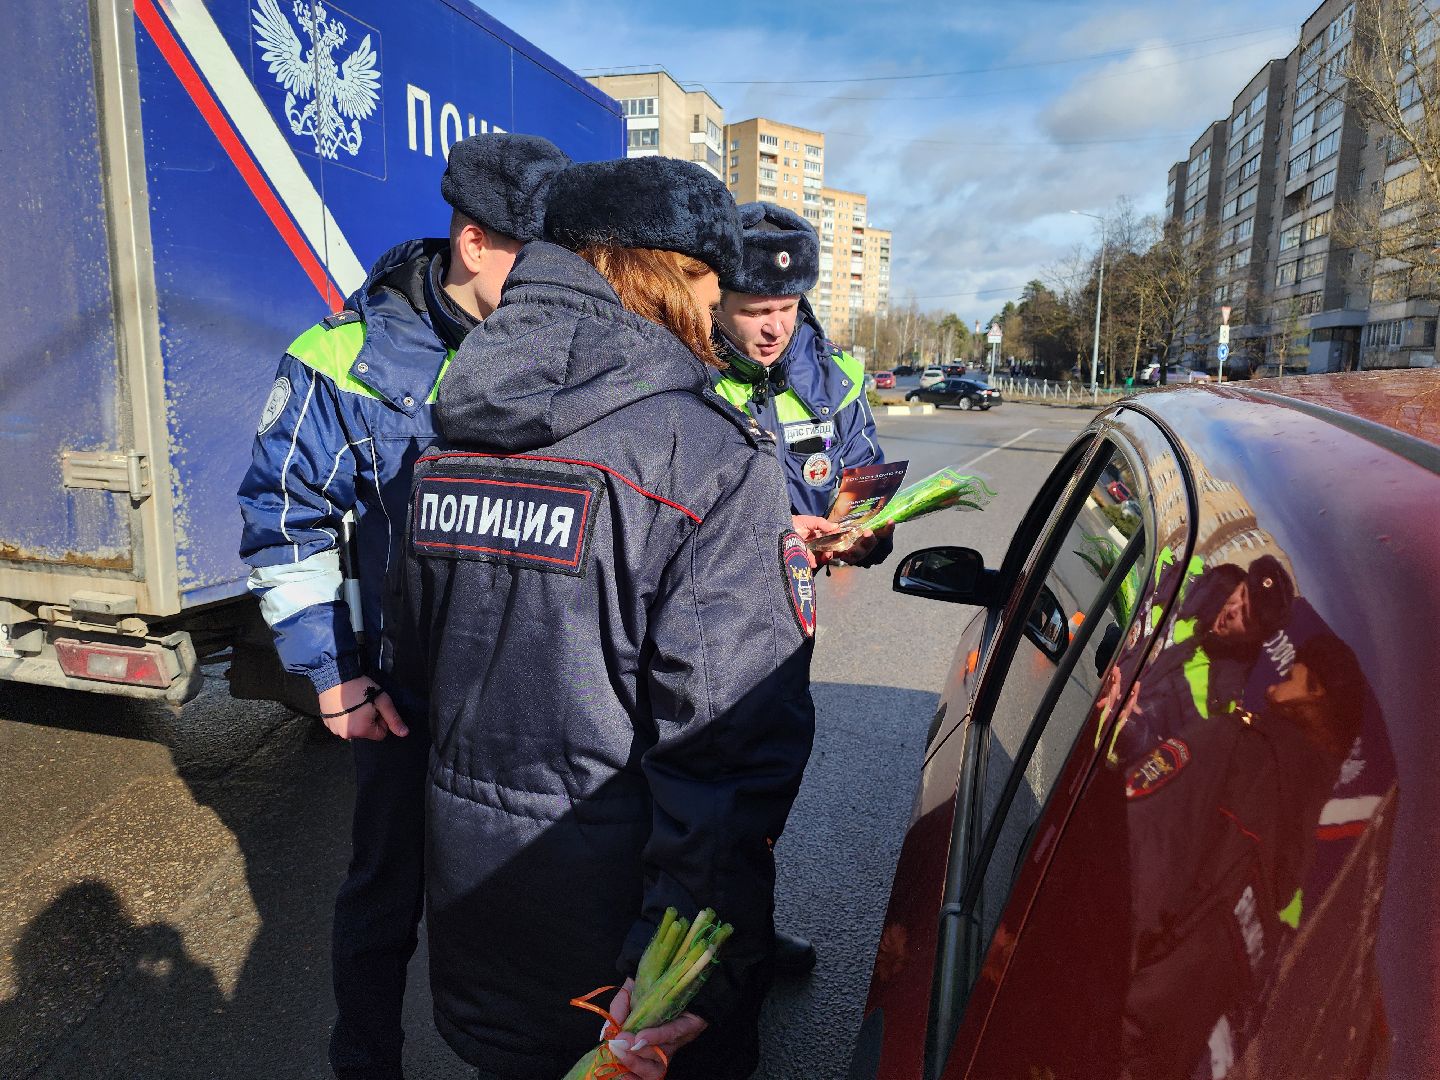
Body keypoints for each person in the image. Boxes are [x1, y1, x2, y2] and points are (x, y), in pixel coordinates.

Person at [387, 156, 816, 1080]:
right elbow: (728, 750)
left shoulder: (447, 434)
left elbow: (416, 663)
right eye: (710, 284)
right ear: (664, 274)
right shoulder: (707, 459)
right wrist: (679, 971)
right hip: (633, 949)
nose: (715, 314)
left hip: (481, 903)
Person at [236, 133, 571, 1080]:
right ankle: (364, 1057)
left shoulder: (559, 348)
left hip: (528, 700)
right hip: (400, 691)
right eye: (534, 260)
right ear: (475, 241)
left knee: (524, 904)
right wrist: (334, 678)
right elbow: (285, 518)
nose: (556, 285)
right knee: (384, 894)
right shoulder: (345, 359)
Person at [710, 202, 892, 568]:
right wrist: (773, 541)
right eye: (756, 312)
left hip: (800, 605)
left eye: (787, 308)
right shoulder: (684, 377)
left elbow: (866, 476)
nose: (775, 329)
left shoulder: (838, 379)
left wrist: (867, 537)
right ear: (715, 304)